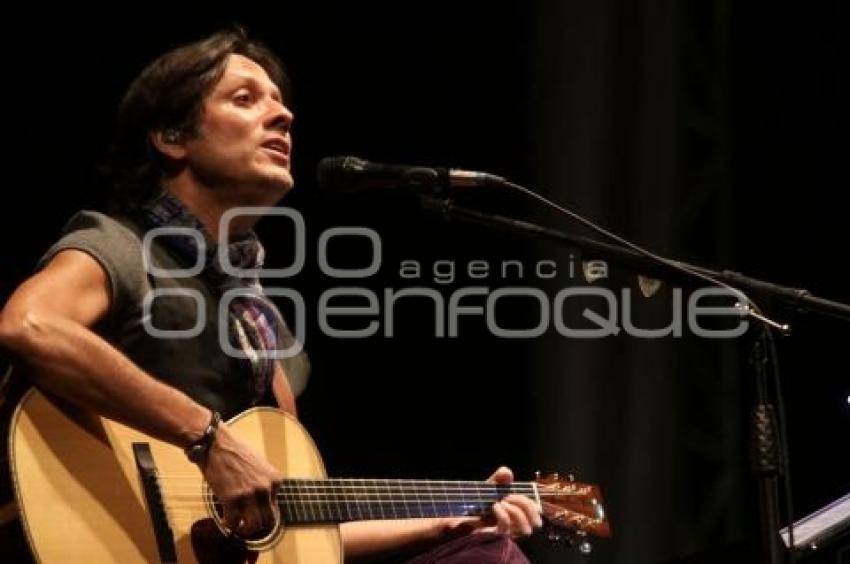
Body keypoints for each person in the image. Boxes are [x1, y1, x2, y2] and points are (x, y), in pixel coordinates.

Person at [0, 28, 540, 562]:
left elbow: (290, 536)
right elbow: (31, 325)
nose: (284, 117)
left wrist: (451, 522)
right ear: (171, 136)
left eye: (281, 105)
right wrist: (208, 441)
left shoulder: (259, 323)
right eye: (244, 99)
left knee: (489, 553)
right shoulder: (121, 248)